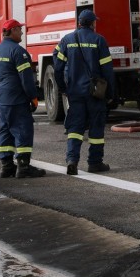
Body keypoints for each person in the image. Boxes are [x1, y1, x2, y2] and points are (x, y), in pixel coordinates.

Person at [53, 9, 115, 175]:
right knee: (96, 129)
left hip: (75, 92)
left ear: (79, 22)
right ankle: (94, 162)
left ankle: (72, 160)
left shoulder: (66, 40)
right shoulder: (99, 40)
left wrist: (62, 88)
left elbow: (57, 68)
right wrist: (110, 93)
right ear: (92, 23)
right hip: (94, 93)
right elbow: (107, 70)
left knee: (75, 128)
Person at [0, 19, 45, 179]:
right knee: (23, 130)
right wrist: (33, 97)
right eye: (20, 30)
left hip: (2, 99)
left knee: (5, 131)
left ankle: (6, 166)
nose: (22, 32)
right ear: (13, 30)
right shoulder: (18, 52)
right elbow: (26, 79)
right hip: (16, 99)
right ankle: (23, 167)